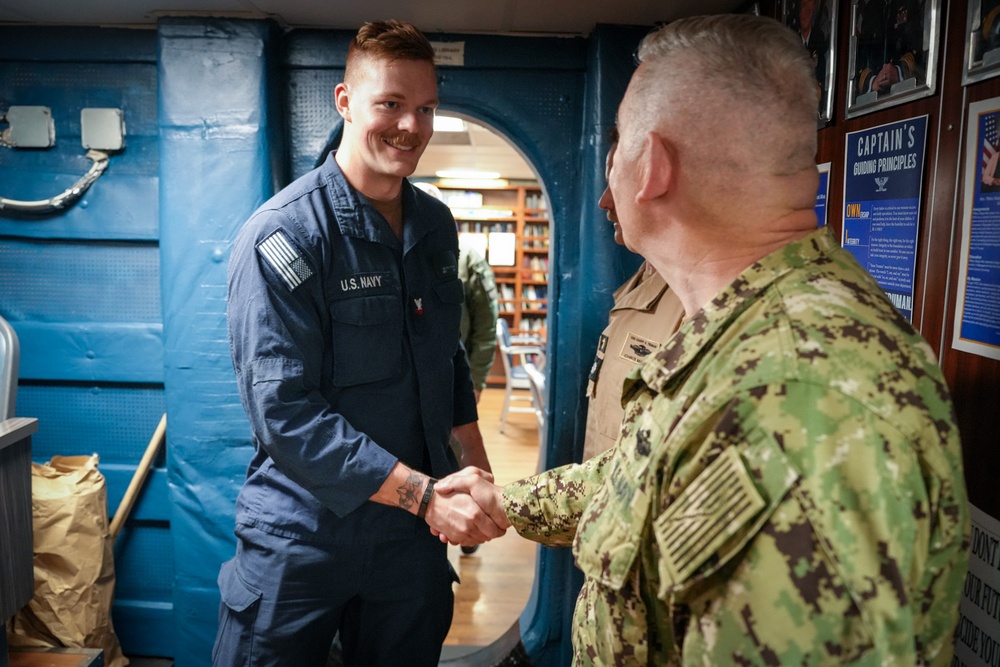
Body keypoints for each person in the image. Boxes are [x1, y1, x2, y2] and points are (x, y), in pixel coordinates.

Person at [437, 14, 970, 665]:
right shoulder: (749, 335)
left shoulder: (800, 401)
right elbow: (646, 472)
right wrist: (508, 500)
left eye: (617, 144)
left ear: (651, 165)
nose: (609, 173)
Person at [214, 20, 502, 667]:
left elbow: (446, 359)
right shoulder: (283, 236)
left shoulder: (435, 225)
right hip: (302, 535)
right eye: (391, 104)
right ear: (344, 102)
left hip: (407, 544)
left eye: (425, 108)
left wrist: (476, 475)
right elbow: (285, 414)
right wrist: (428, 494)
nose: (411, 126)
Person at [583, 127, 685, 460]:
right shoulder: (642, 281)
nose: (603, 202)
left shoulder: (694, 301)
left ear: (658, 182)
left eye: (616, 184)